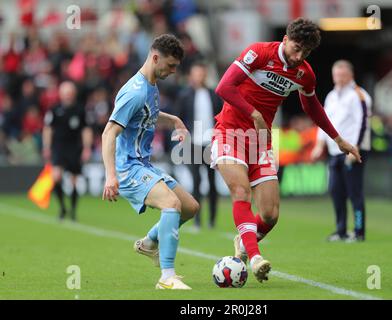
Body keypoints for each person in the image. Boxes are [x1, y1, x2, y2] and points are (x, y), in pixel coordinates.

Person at [212, 18, 361, 283]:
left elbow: (312, 107)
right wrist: (254, 113)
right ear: (285, 39)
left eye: (305, 52)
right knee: (241, 191)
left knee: (270, 214)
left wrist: (337, 139)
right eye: (296, 47)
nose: (299, 55)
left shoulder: (305, 73)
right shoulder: (259, 52)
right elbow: (224, 87)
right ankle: (254, 256)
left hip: (261, 142)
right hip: (230, 132)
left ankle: (243, 240)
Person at [101, 34, 199, 290]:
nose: (173, 71)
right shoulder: (134, 92)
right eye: (170, 65)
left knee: (189, 207)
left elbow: (150, 114)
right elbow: (109, 132)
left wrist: (175, 120)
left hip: (143, 165)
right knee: (171, 203)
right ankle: (167, 277)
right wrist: (111, 176)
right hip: (128, 168)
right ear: (155, 57)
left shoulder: (151, 85)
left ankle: (148, 243)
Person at [311, 60, 372, 242]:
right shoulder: (331, 96)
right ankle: (341, 230)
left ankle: (359, 231)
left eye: (342, 74)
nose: (339, 78)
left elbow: (363, 124)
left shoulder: (358, 95)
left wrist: (356, 148)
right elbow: (324, 121)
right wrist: (319, 144)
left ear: (350, 75)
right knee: (336, 191)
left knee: (354, 192)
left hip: (353, 151)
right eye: (336, 75)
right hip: (334, 151)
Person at [174, 62, 222, 230]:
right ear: (191, 76)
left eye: (201, 73)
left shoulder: (214, 94)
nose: (199, 77)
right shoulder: (185, 95)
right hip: (193, 143)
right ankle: (197, 220)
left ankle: (212, 220)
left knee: (212, 181)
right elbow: (178, 120)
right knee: (196, 182)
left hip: (211, 143)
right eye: (196, 74)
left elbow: (221, 117)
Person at [42, 81, 93, 221]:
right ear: (60, 94)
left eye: (70, 93)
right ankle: (62, 207)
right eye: (65, 93)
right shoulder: (54, 110)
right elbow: (48, 129)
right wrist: (46, 147)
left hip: (74, 148)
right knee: (56, 177)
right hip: (59, 147)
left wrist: (87, 148)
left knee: (74, 181)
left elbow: (86, 130)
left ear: (74, 94)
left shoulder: (80, 110)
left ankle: (73, 211)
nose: (68, 96)